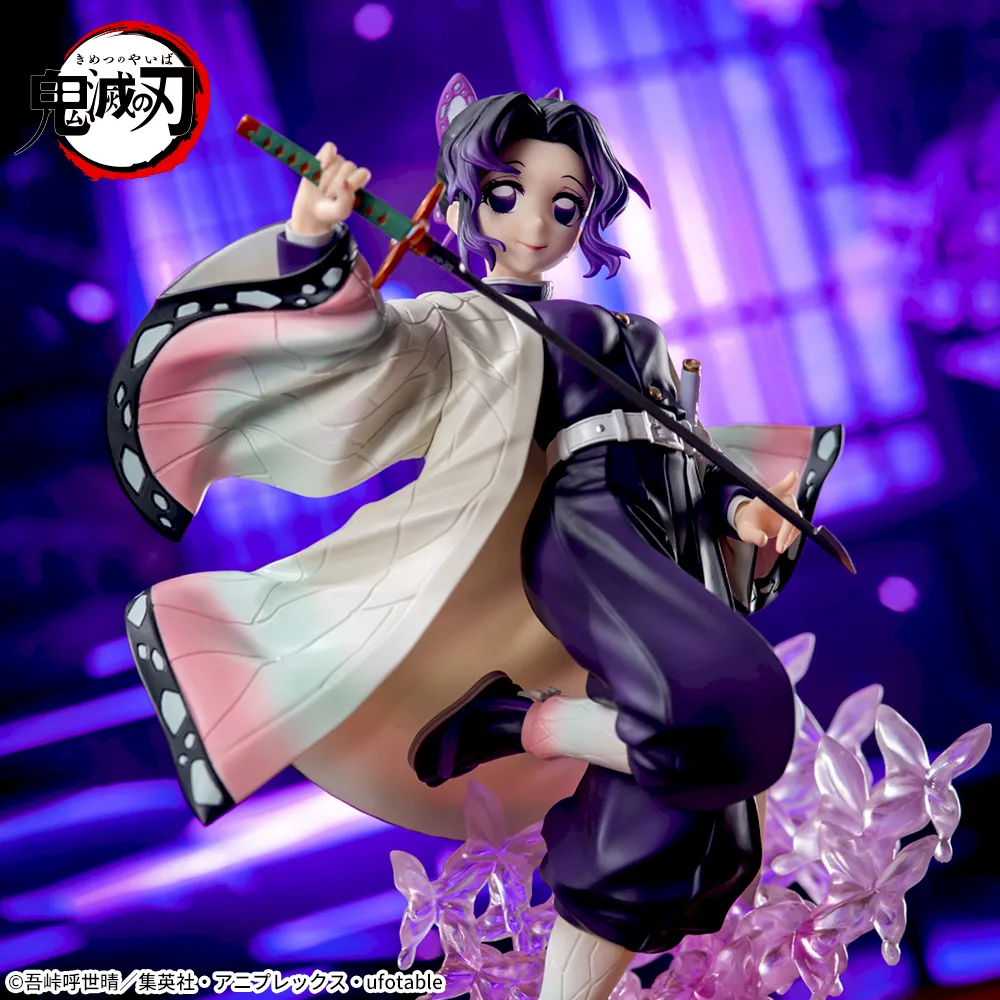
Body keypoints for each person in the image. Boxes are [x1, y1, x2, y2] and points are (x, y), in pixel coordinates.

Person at [106, 79, 842, 1000]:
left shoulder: (634, 336)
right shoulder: (464, 328)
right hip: (585, 534)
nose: (536, 223)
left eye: (564, 205)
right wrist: (312, 241)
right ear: (468, 201)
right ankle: (522, 723)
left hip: (662, 530)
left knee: (696, 822)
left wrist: (741, 511)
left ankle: (513, 751)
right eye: (507, 194)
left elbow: (685, 452)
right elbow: (368, 355)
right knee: (737, 716)